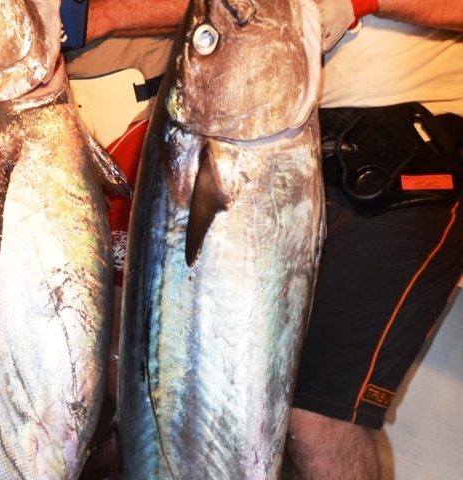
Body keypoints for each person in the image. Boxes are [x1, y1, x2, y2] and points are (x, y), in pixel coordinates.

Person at [62, 0, 463, 478]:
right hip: (279, 141)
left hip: (402, 148)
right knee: (195, 392)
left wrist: (364, 3)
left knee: (314, 418)